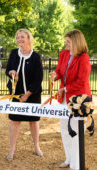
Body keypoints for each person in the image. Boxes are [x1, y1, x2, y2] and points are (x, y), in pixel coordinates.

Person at [51, 29, 91, 170]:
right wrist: (55, 75)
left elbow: (81, 81)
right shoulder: (64, 54)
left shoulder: (84, 58)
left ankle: (76, 163)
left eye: (68, 42)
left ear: (76, 41)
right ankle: (69, 158)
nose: (66, 44)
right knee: (64, 129)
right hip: (64, 99)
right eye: (65, 41)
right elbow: (60, 71)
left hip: (80, 99)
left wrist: (65, 89)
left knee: (76, 130)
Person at [5, 29, 43, 161]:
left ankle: (37, 147)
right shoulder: (14, 53)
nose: (19, 39)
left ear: (28, 39)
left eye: (22, 37)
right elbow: (8, 70)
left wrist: (28, 94)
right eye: (17, 37)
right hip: (16, 94)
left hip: (32, 95)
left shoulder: (36, 56)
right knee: (15, 121)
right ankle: (12, 149)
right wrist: (11, 72)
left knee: (34, 121)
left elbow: (39, 78)